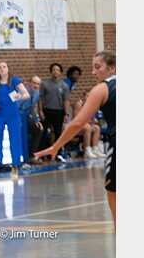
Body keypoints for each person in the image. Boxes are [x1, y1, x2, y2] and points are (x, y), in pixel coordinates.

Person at [36, 50, 116, 225]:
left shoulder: (102, 88)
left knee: (114, 193)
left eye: (97, 67)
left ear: (112, 68)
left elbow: (77, 123)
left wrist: (56, 145)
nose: (93, 72)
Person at [0, 62, 30, 179]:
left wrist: (18, 96)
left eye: (4, 67)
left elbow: (26, 94)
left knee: (15, 139)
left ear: (8, 69)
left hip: (13, 114)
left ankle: (15, 166)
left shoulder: (15, 81)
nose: (2, 69)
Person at [39, 63, 72, 154]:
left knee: (58, 132)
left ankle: (57, 153)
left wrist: (66, 113)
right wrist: (40, 111)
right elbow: (41, 98)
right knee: (44, 133)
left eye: (57, 70)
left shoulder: (64, 86)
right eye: (53, 69)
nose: (55, 71)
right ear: (51, 71)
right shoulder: (44, 84)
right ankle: (42, 153)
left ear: (60, 72)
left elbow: (66, 101)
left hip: (59, 112)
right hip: (47, 110)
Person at [18, 76, 43, 163]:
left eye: (38, 84)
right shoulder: (21, 91)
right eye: (34, 83)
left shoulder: (37, 93)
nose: (36, 86)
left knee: (39, 129)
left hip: (27, 117)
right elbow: (12, 103)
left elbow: (33, 108)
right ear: (29, 83)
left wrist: (36, 120)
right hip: (17, 116)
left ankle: (32, 156)